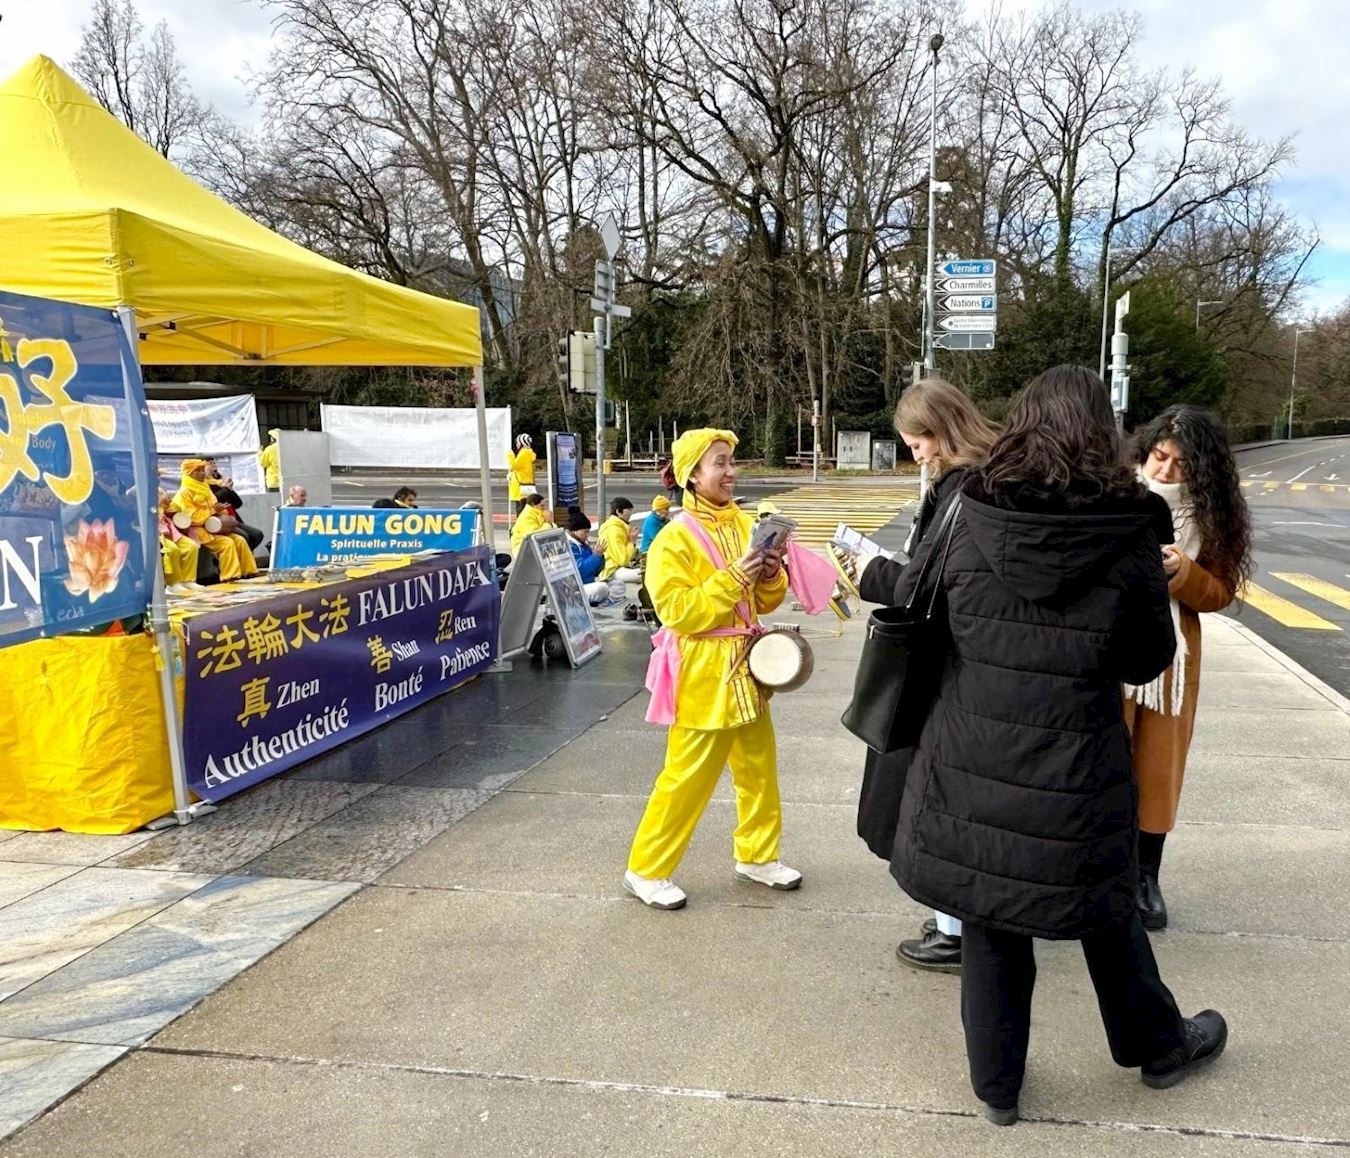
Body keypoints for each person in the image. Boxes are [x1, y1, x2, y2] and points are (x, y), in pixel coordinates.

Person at [883, 366, 1226, 1125]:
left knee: (991, 915)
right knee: (1105, 906)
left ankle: (997, 1090)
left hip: (970, 751)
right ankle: (1159, 1047)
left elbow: (919, 611)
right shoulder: (1132, 522)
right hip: (1078, 759)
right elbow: (1146, 657)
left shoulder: (967, 506)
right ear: (1104, 434)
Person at [853, 377, 999, 975]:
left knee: (929, 802)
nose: (914, 453)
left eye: (917, 442)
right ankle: (955, 922)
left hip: (944, 668)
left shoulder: (960, 489)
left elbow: (926, 587)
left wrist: (867, 572)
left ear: (943, 432)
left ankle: (956, 929)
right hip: (975, 666)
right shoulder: (987, 480)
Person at [624, 428, 796, 910]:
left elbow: (765, 600)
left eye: (731, 462)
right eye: (719, 463)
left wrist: (770, 574)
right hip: (703, 672)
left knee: (759, 769)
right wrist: (734, 578)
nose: (730, 472)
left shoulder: (746, 523)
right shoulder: (674, 539)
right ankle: (647, 869)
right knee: (686, 776)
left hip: (748, 667)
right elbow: (679, 612)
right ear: (692, 476)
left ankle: (758, 856)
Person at [1124, 406, 1252, 930]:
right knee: (1097, 766)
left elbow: (1220, 592)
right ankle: (1090, 875)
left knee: (1157, 772)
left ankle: (1144, 877)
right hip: (1109, 652)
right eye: (1159, 457)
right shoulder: (1115, 493)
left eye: (1181, 464)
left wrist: (1183, 573)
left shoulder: (1213, 515)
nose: (1166, 472)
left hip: (1172, 664)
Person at [170, 459, 258, 581]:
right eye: (198, 471)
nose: (202, 473)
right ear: (189, 474)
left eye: (202, 470)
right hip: (198, 530)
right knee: (226, 544)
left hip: (213, 526)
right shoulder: (184, 493)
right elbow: (193, 519)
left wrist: (222, 513)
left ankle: (249, 571)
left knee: (240, 540)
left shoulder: (205, 487)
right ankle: (230, 576)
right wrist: (212, 511)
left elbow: (217, 505)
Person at [204, 458, 264, 551]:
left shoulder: (219, 482)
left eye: (214, 463)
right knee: (244, 537)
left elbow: (238, 503)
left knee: (257, 535)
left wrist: (230, 489)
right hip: (217, 520)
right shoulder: (203, 485)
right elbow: (214, 500)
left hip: (231, 517)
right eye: (209, 464)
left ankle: (242, 559)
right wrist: (225, 489)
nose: (213, 465)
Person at [156, 488, 202, 585]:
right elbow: (152, 516)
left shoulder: (159, 490)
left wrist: (169, 504)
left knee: (191, 546)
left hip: (168, 529)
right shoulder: (137, 493)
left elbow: (175, 509)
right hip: (154, 532)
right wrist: (161, 506)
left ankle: (188, 581)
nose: (157, 479)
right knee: (172, 549)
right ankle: (173, 584)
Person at [564, 508, 609, 604]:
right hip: (575, 589)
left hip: (589, 583)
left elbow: (597, 571)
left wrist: (600, 556)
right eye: (584, 532)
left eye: (588, 532)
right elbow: (580, 570)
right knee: (602, 587)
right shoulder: (569, 546)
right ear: (574, 531)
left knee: (616, 584)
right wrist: (595, 556)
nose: (587, 535)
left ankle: (600, 601)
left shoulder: (584, 544)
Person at [597, 496, 642, 583]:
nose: (630, 514)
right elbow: (623, 560)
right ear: (618, 511)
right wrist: (632, 541)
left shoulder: (621, 527)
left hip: (620, 567)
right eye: (628, 510)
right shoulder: (612, 529)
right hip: (612, 571)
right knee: (645, 575)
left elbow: (629, 557)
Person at [511, 492, 552, 557]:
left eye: (545, 505)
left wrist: (551, 524)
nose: (544, 508)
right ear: (534, 505)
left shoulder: (539, 513)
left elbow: (551, 527)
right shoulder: (526, 517)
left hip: (534, 547)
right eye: (542, 506)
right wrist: (548, 524)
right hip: (522, 549)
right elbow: (534, 535)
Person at [507, 433, 538, 513]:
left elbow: (513, 466)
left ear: (521, 443)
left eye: (517, 442)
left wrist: (510, 455)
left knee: (521, 510)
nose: (517, 445)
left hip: (521, 487)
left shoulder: (524, 453)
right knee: (524, 509)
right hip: (525, 486)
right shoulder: (528, 453)